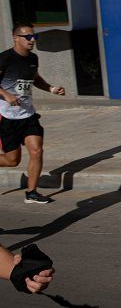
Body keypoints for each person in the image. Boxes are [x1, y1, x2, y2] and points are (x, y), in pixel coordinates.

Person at [0, 23, 66, 204]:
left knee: (36, 151)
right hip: (7, 117)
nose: (32, 40)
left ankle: (31, 192)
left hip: (28, 115)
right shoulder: (5, 58)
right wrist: (6, 94)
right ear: (16, 38)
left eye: (34, 37)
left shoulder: (33, 58)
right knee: (12, 161)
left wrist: (52, 88)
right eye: (28, 37)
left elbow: (35, 79)